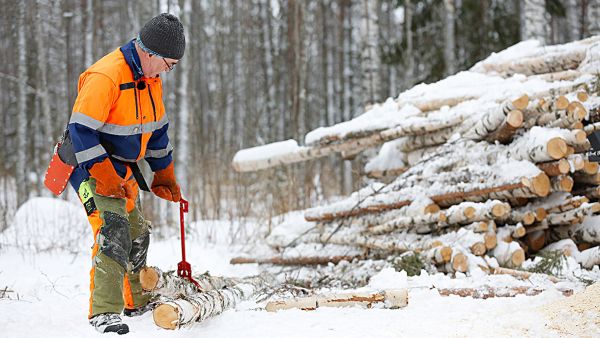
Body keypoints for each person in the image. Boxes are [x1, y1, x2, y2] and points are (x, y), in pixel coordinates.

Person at [67, 13, 185, 334]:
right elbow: (80, 131)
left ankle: (136, 300)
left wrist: (164, 174)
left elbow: (158, 132)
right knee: (114, 229)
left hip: (122, 167)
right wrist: (102, 174)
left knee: (138, 232)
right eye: (168, 63)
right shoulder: (106, 76)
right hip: (88, 165)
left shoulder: (150, 80)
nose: (168, 70)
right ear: (149, 53)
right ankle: (104, 312)